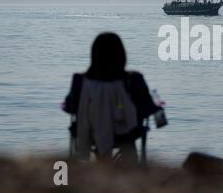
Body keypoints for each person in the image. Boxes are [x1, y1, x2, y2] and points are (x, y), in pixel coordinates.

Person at [63, 32, 160, 162]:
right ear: (122, 55)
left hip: (89, 133)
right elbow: (147, 108)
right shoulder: (134, 79)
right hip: (126, 134)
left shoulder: (80, 80)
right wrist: (158, 104)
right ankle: (132, 168)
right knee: (129, 135)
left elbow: (70, 107)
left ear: (94, 55)